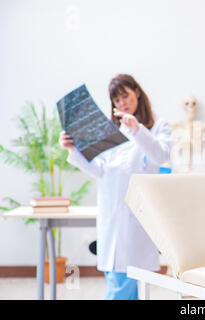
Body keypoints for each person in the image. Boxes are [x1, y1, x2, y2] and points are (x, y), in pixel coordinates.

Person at [59, 74, 172, 300]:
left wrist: (138, 130)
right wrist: (73, 150)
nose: (122, 103)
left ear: (136, 92)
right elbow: (100, 169)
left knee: (124, 282)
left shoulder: (158, 126)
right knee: (119, 278)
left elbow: (161, 156)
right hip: (112, 214)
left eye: (125, 96)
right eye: (117, 100)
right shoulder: (112, 133)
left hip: (136, 217)